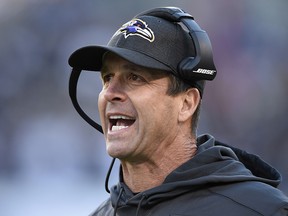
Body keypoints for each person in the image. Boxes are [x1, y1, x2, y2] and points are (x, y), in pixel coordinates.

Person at [68, 6, 288, 216]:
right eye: (107, 78)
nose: (110, 93)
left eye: (135, 78)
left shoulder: (260, 210)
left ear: (186, 104)